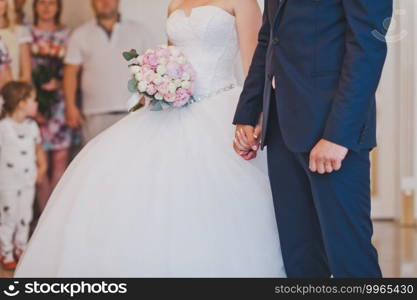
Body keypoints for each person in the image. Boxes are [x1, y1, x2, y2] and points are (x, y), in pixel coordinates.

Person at [14, 0, 286, 277]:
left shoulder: (242, 2)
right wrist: (157, 81)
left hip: (220, 104)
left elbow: (255, 63)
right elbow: (171, 56)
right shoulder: (175, 4)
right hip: (172, 107)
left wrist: (253, 113)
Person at [233, 0, 393, 277]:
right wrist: (248, 110)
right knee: (300, 257)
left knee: (350, 258)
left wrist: (338, 136)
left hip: (332, 132)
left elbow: (368, 47)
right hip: (281, 126)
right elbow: (269, 38)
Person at [64, 0, 152, 144]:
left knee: (133, 160)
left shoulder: (139, 31)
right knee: (95, 162)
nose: (105, 2)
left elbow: (150, 68)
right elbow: (70, 73)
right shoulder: (80, 34)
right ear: (92, 3)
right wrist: (70, 106)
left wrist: (146, 100)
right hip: (94, 113)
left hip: (133, 111)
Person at [29, 0, 80, 215]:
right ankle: (43, 219)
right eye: (42, 3)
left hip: (60, 105)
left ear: (59, 7)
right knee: (39, 165)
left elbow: (76, 70)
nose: (47, 7)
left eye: (52, 3)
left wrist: (58, 84)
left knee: (60, 161)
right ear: (35, 7)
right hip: (34, 105)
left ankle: (55, 217)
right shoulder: (27, 34)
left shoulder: (68, 35)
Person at [0, 81, 47, 270]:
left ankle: (21, 246)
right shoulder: (3, 128)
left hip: (27, 178)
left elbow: (37, 148)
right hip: (8, 180)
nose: (36, 104)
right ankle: (6, 250)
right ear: (21, 103)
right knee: (9, 215)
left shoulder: (32, 126)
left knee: (25, 214)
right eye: (33, 100)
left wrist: (42, 167)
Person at [0, 0, 31, 81]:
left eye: (2, 0)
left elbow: (26, 75)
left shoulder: (20, 31)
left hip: (11, 91)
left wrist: (13, 91)